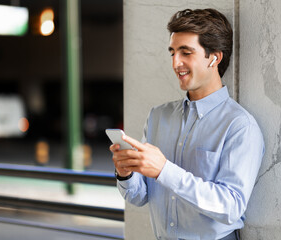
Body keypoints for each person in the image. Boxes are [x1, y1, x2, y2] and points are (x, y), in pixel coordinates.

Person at [110, 8, 264, 240]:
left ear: (214, 57)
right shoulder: (158, 117)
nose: (175, 63)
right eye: (172, 52)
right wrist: (125, 174)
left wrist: (164, 169)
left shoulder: (239, 126)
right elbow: (140, 197)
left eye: (186, 52)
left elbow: (231, 207)